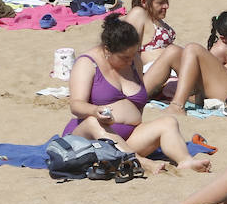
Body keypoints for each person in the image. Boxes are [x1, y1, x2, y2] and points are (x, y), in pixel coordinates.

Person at [63, 14, 212, 175]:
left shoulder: (134, 60)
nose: (130, 61)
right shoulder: (87, 63)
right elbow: (76, 105)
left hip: (127, 139)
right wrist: (94, 111)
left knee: (168, 122)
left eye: (133, 55)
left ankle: (185, 161)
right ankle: (139, 161)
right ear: (107, 50)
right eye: (124, 57)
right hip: (88, 140)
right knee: (94, 122)